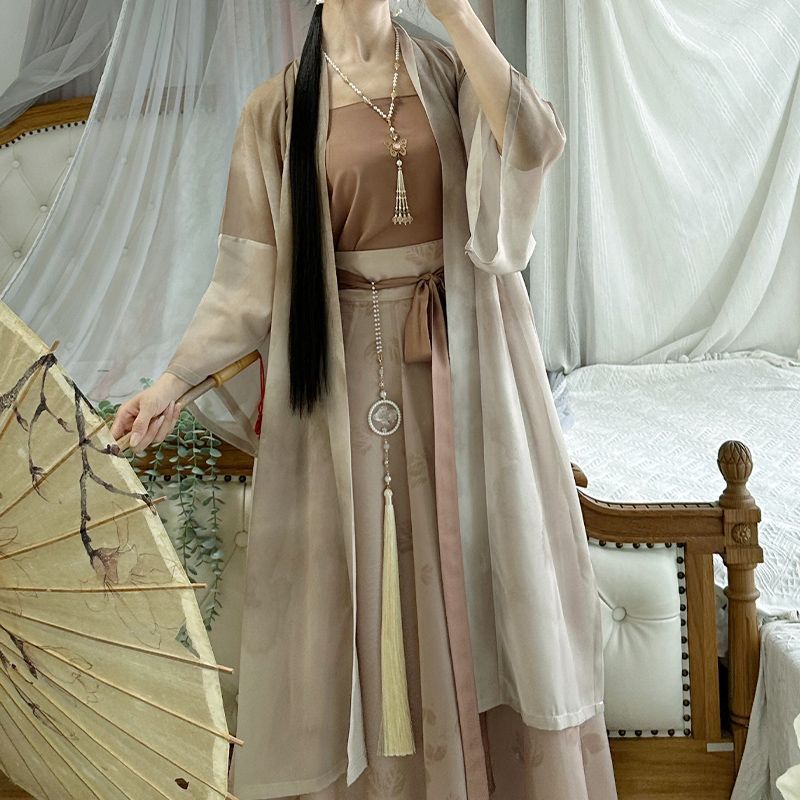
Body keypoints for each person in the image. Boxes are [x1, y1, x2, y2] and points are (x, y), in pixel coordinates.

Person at [111, 1, 618, 797]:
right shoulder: (277, 109)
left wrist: (459, 17)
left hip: (471, 360)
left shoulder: (448, 69)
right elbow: (246, 281)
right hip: (347, 380)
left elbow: (532, 142)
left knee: (485, 565)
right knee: (373, 590)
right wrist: (172, 382)